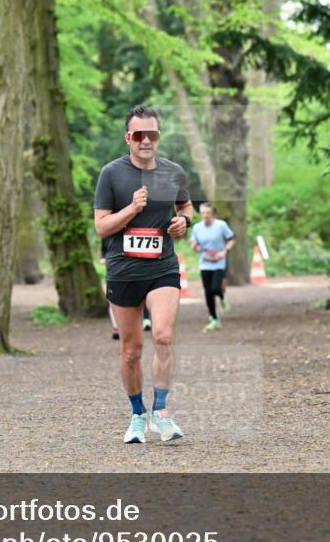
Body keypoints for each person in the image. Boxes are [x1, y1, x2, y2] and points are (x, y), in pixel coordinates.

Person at [93, 105, 193, 443]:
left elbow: (186, 205)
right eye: (139, 135)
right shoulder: (111, 174)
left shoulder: (173, 172)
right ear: (128, 138)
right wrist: (132, 209)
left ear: (158, 138)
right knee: (131, 350)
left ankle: (162, 412)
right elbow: (101, 226)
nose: (146, 140)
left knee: (163, 335)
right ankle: (138, 415)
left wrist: (185, 221)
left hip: (162, 266)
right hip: (123, 270)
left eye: (152, 134)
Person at [189, 202, 235, 331]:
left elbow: (232, 238)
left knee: (215, 288)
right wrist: (195, 247)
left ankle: (222, 297)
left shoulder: (221, 226)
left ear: (213, 214)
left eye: (208, 213)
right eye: (203, 213)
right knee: (208, 292)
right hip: (205, 263)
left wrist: (224, 251)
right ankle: (214, 318)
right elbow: (194, 243)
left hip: (219, 262)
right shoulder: (197, 228)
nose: (205, 216)